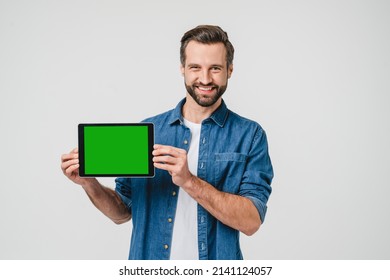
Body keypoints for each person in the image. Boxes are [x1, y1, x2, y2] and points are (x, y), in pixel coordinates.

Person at [61, 25, 273, 260]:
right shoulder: (147, 132)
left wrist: (189, 181)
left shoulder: (250, 135)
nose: (205, 79)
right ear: (182, 68)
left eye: (215, 68)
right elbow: (122, 212)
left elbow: (251, 221)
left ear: (230, 70)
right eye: (195, 68)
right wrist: (89, 183)